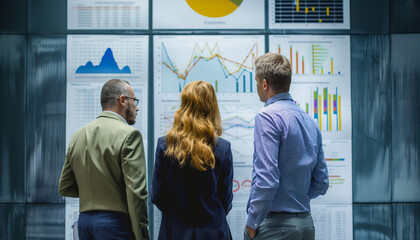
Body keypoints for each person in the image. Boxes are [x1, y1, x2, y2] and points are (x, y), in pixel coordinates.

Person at [245, 53, 329, 240]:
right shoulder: (309, 120)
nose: (257, 86)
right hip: (305, 225)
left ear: (265, 84)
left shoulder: (267, 116)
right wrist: (294, 197)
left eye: (257, 81)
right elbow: (322, 182)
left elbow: (266, 179)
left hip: (276, 228)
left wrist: (252, 223)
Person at [59, 79, 149, 240]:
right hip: (116, 225)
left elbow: (65, 187)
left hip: (84, 224)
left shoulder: (78, 135)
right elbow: (136, 194)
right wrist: (142, 235)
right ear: (122, 100)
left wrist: (95, 192)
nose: (137, 107)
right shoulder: (130, 135)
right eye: (134, 101)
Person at [151, 80, 233, 240]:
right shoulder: (223, 148)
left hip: (175, 232)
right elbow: (226, 199)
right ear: (212, 106)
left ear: (184, 105)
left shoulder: (164, 145)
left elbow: (157, 195)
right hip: (213, 232)